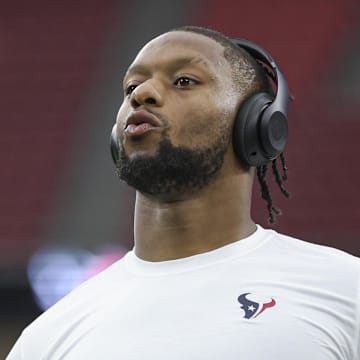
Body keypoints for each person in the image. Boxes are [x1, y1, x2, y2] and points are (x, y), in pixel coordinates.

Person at [7, 26, 359, 360]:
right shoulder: (47, 338)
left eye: (183, 81)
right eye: (131, 87)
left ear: (256, 123)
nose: (142, 94)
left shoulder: (344, 290)